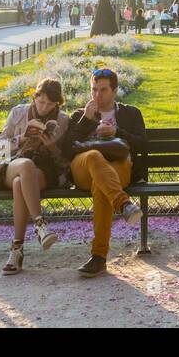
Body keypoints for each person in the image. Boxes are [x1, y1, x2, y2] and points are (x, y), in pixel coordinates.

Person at [61, 67, 145, 278]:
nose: (97, 95)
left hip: (118, 168)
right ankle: (124, 204)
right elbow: (65, 150)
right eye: (94, 89)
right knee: (93, 156)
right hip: (84, 170)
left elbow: (143, 145)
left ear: (115, 91)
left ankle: (98, 258)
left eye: (103, 90)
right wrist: (86, 122)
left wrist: (118, 132)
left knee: (102, 185)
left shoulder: (130, 113)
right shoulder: (80, 114)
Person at [0, 78, 70, 274]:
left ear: (57, 104)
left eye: (51, 104)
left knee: (21, 183)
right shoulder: (19, 113)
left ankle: (16, 251)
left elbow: (64, 163)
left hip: (42, 171)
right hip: (14, 164)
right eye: (41, 101)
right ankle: (40, 225)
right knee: (24, 167)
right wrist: (22, 138)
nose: (45, 107)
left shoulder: (63, 120)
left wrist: (52, 147)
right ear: (35, 97)